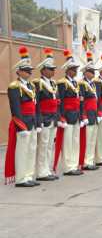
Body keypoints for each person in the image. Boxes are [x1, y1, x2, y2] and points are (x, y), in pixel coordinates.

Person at [5, 46, 40, 186]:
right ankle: (21, 178)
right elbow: (15, 108)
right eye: (26, 71)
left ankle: (29, 175)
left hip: (32, 120)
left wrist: (37, 123)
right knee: (22, 151)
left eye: (30, 70)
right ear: (18, 71)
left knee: (31, 149)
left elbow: (35, 106)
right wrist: (21, 126)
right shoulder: (14, 86)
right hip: (23, 122)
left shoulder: (31, 86)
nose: (29, 73)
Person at [54, 49, 83, 176]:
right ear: (67, 70)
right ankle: (68, 167)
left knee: (75, 141)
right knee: (67, 142)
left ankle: (74, 164)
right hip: (67, 115)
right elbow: (60, 101)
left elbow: (80, 100)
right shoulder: (62, 83)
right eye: (73, 69)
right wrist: (61, 117)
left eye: (76, 69)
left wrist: (81, 115)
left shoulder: (76, 83)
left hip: (76, 114)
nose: (75, 71)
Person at [34, 48, 59, 181]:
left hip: (53, 118)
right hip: (44, 118)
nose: (53, 71)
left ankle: (47, 169)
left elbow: (57, 102)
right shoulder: (38, 83)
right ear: (43, 70)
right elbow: (37, 104)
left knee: (50, 145)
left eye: (53, 69)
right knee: (42, 145)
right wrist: (39, 120)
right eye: (50, 69)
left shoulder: (54, 83)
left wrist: (58, 118)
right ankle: (40, 172)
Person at [78, 51, 100, 171]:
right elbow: (81, 101)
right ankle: (86, 162)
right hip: (87, 114)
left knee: (92, 139)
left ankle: (90, 160)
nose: (93, 73)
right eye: (91, 71)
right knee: (87, 140)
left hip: (94, 114)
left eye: (93, 71)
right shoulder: (82, 84)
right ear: (85, 72)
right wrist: (83, 116)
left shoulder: (93, 84)